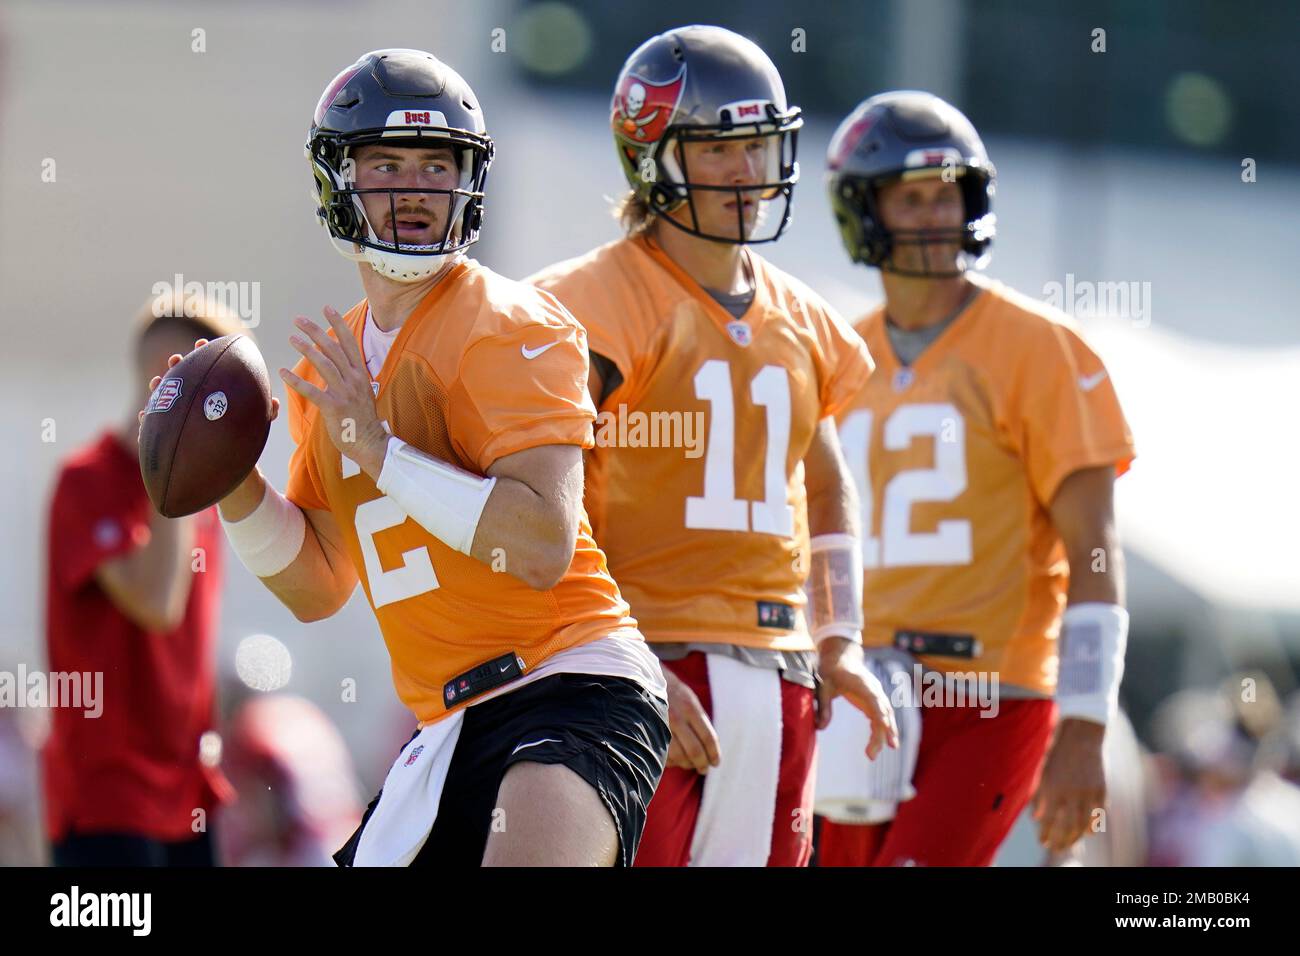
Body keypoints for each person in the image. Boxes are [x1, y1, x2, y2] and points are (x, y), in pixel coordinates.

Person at [154, 48, 669, 867]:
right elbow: (317, 587)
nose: (414, 188)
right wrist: (234, 483)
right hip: (442, 726)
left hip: (568, 683)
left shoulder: (510, 323)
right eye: (385, 164)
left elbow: (541, 547)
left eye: (436, 165)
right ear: (339, 180)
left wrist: (383, 453)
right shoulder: (338, 365)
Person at [530, 25, 897, 867]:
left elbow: (830, 486)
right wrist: (617, 656)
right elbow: (541, 491)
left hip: (781, 665)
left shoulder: (806, 318)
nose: (748, 169)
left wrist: (839, 638)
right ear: (652, 152)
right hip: (648, 649)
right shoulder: (588, 302)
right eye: (720, 147)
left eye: (761, 144)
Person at [813, 91, 1136, 866]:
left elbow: (1095, 553)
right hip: (861, 691)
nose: (933, 215)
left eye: (947, 193)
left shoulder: (1042, 349)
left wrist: (1087, 726)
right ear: (867, 208)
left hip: (993, 691)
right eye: (911, 196)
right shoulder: (834, 354)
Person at [44, 290, 240, 866]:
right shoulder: (88, 479)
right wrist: (169, 452)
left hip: (189, 790)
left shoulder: (200, 494)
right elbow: (157, 603)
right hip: (109, 797)